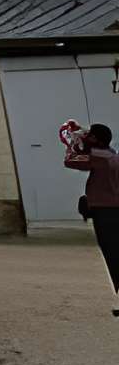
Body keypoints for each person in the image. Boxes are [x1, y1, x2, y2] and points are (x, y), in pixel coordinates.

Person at [69, 120, 119, 309]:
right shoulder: (111, 155)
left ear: (96, 139)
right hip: (113, 209)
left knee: (113, 253)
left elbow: (70, 160)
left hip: (106, 213)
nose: (86, 138)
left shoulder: (98, 157)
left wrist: (72, 141)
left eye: (89, 135)